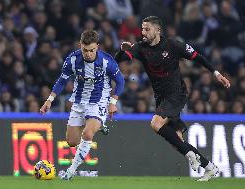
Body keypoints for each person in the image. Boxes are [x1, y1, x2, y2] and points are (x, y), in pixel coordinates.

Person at [115, 16, 230, 181]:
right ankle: (209, 167)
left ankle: (190, 154)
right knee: (177, 141)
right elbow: (119, 59)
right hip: (161, 98)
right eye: (142, 29)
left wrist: (216, 74)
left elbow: (198, 57)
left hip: (177, 93)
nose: (143, 32)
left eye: (147, 29)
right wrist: (121, 50)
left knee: (155, 123)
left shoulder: (173, 45)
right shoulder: (141, 48)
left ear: (157, 30)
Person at [40, 30, 125, 180]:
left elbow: (121, 81)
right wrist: (49, 100)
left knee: (87, 134)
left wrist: (113, 102)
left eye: (92, 50)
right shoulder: (72, 59)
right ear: (80, 46)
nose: (88, 54)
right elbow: (62, 80)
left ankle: (70, 172)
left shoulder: (106, 61)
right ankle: (100, 125)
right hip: (79, 102)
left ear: (97, 47)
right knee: (72, 142)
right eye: (85, 50)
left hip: (99, 100)